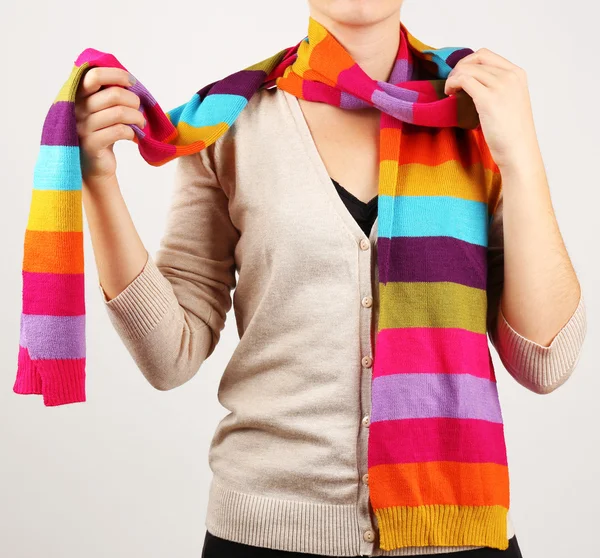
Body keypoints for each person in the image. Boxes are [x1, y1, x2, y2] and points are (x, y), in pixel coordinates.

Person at [75, 1, 586, 557]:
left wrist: (523, 155)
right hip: (265, 536)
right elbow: (169, 355)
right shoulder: (227, 122)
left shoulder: (479, 113)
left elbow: (544, 361)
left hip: (456, 533)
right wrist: (99, 181)